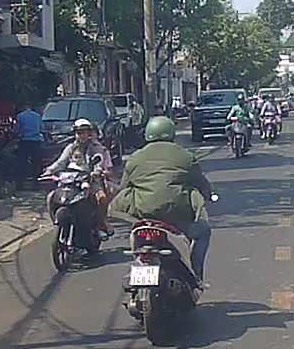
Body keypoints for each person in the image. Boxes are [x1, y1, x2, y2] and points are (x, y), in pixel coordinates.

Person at [112, 116, 215, 286]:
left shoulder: (135, 158)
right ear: (171, 133)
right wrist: (207, 194)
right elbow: (200, 183)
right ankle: (197, 276)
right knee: (203, 231)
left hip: (143, 217)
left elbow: (124, 187)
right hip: (177, 217)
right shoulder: (186, 157)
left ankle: (138, 261)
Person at [44, 118, 116, 238]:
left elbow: (99, 162)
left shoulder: (96, 147)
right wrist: (49, 171)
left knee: (102, 199)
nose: (81, 135)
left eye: (84, 132)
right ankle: (56, 222)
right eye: (79, 132)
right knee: (51, 197)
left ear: (89, 133)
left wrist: (97, 171)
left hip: (91, 180)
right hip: (70, 181)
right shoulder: (70, 148)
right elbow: (61, 162)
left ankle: (100, 224)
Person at [14, 102, 45, 190]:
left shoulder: (20, 116)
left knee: (21, 163)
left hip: (24, 141)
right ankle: (35, 184)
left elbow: (17, 130)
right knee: (36, 163)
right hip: (36, 142)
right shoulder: (37, 116)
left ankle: (20, 184)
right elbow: (41, 128)